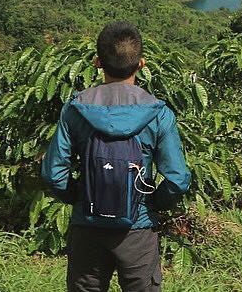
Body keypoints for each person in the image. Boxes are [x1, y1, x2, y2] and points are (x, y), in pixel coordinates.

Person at [42, 21, 191, 292]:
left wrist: (78, 197)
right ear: (141, 63)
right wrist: (151, 204)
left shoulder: (75, 109)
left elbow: (54, 173)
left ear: (98, 62)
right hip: (138, 229)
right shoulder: (158, 113)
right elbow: (177, 179)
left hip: (87, 227)